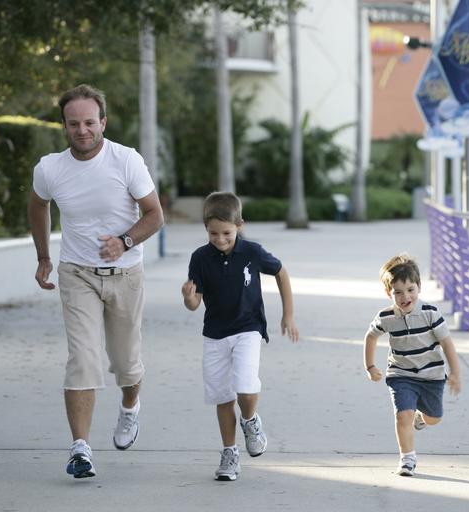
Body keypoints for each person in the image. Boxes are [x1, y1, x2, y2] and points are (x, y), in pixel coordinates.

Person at [28, 84, 164, 479]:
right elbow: (37, 205)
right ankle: (81, 449)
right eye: (74, 123)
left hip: (125, 275)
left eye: (89, 122)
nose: (82, 130)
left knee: (125, 365)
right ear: (64, 126)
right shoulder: (50, 168)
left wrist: (124, 242)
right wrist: (42, 257)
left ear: (102, 122)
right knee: (83, 360)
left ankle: (129, 406)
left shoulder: (126, 161)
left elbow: (155, 215)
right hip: (76, 273)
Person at [181, 192, 299, 481]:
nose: (220, 239)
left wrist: (288, 315)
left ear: (239, 226)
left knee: (245, 384)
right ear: (205, 229)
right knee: (222, 396)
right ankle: (229, 453)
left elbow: (282, 273)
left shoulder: (252, 252)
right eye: (213, 233)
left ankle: (250, 420)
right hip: (215, 333)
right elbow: (195, 303)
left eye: (226, 233)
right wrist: (188, 298)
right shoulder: (200, 258)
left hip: (248, 328)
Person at [362, 254, 460, 477]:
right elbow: (371, 337)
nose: (405, 296)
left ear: (419, 288)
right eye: (397, 292)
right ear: (389, 293)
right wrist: (370, 366)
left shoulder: (430, 314)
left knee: (433, 419)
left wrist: (454, 373)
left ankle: (421, 417)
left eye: (410, 290)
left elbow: (447, 343)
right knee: (402, 415)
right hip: (400, 373)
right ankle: (407, 459)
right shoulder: (385, 317)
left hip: (431, 375)